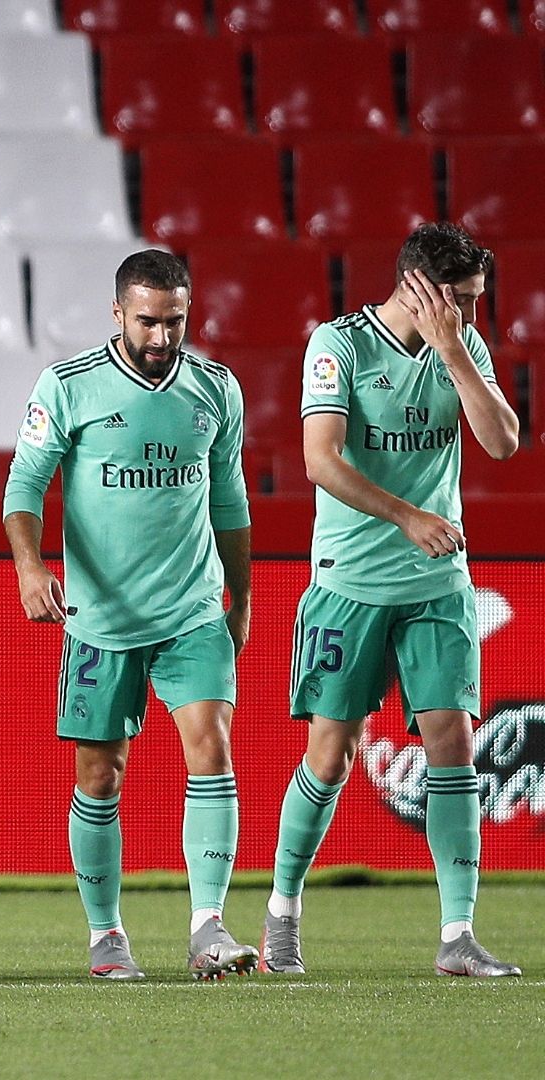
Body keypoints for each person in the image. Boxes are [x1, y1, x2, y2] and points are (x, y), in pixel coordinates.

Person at [262, 223, 522, 978]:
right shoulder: (338, 346)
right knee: (332, 754)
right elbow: (320, 460)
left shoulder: (462, 348)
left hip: (438, 585)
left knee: (453, 743)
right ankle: (282, 912)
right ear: (422, 287)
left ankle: (457, 935)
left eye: (477, 304)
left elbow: (503, 442)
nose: (474, 317)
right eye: (464, 303)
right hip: (351, 581)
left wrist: (453, 351)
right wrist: (408, 516)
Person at [3, 250, 254, 981]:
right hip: (100, 617)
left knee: (211, 744)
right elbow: (24, 484)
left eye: (175, 321)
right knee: (100, 775)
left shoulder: (215, 389)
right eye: (147, 320)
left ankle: (208, 926)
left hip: (192, 608)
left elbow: (230, 502)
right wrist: (30, 564)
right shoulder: (69, 386)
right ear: (118, 312)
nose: (162, 336)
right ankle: (106, 934)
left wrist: (241, 599)